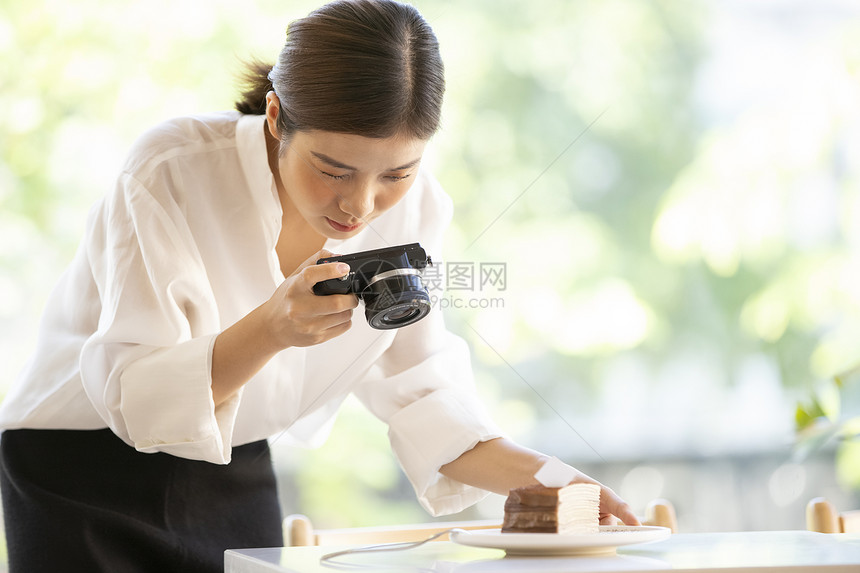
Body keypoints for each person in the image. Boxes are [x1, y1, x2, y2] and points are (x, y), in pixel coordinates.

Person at [0, 1, 637, 571]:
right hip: (79, 470)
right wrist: (271, 328)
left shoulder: (417, 214)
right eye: (332, 170)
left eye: (398, 172)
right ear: (276, 116)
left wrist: (556, 481)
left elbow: (423, 397)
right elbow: (135, 398)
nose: (361, 204)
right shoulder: (173, 170)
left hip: (234, 467)